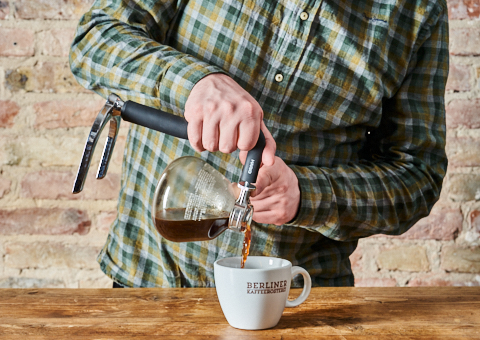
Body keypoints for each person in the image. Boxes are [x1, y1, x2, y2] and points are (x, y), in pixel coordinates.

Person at [69, 0, 448, 287]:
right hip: (150, 281)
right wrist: (194, 82)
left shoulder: (418, 10)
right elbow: (96, 37)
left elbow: (418, 175)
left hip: (293, 305)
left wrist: (307, 195)